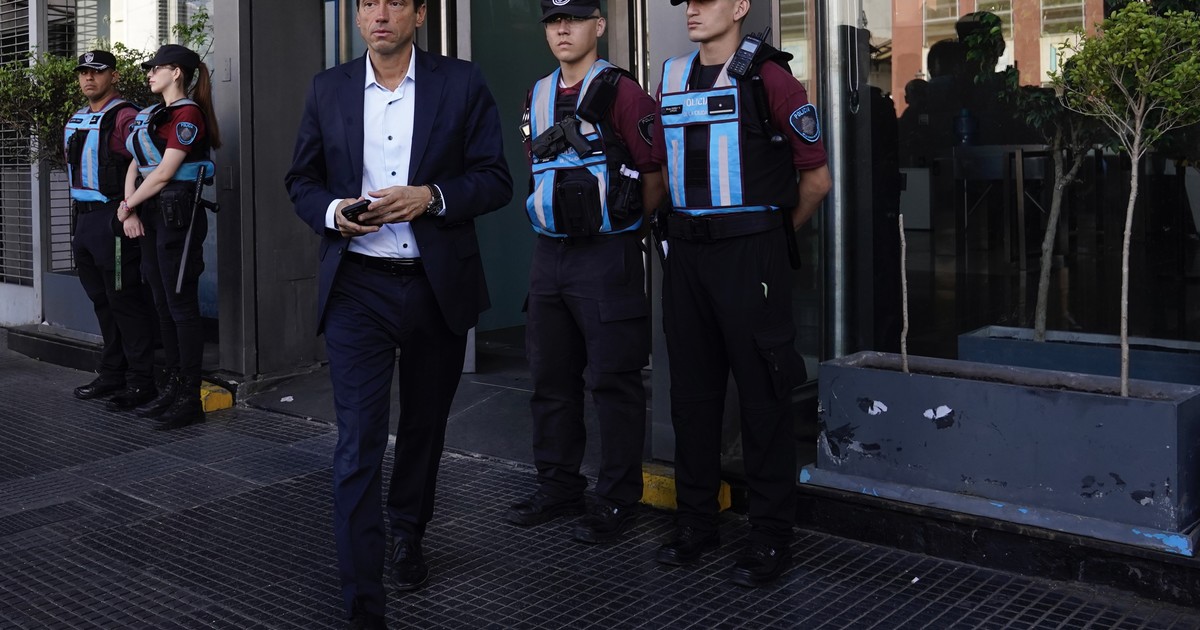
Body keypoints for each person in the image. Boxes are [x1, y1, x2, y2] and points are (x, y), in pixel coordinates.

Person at [284, 0, 512, 627]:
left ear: (418, 14)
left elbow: (495, 178)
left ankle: (408, 530)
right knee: (357, 440)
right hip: (357, 285)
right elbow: (301, 180)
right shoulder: (327, 88)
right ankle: (363, 600)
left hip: (436, 285)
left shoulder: (461, 82)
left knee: (423, 426)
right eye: (368, 4)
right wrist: (333, 212)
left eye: (394, 3)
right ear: (359, 18)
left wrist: (430, 197)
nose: (380, 13)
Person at [652, 0, 831, 587]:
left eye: (707, 0)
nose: (694, 10)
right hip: (687, 257)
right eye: (688, 1)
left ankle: (770, 534)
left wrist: (769, 239)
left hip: (751, 254)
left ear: (740, 7)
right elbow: (662, 164)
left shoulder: (772, 78)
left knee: (762, 396)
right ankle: (696, 523)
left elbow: (817, 179)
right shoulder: (670, 76)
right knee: (692, 397)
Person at [505, 0, 664, 544]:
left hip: (606, 255)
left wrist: (624, 232)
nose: (562, 30)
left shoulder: (624, 93)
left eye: (573, 20)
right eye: (553, 22)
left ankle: (617, 498)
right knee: (550, 379)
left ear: (598, 25)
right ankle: (558, 487)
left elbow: (654, 177)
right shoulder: (537, 93)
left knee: (614, 382)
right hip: (549, 256)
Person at [118, 44, 221, 430]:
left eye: (155, 68)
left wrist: (128, 205)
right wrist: (130, 203)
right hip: (152, 211)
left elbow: (163, 172)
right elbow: (136, 162)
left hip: (177, 214)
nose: (149, 74)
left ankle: (189, 397)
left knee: (180, 305)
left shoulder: (187, 114)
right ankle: (172, 388)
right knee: (162, 304)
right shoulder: (155, 113)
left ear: (176, 72)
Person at [65, 50, 158, 410]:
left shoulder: (125, 117)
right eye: (83, 72)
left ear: (114, 76)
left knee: (125, 300)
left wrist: (129, 208)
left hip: (113, 218)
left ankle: (141, 382)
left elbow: (148, 164)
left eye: (97, 72)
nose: (88, 78)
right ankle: (112, 374)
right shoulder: (79, 118)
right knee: (102, 302)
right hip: (85, 220)